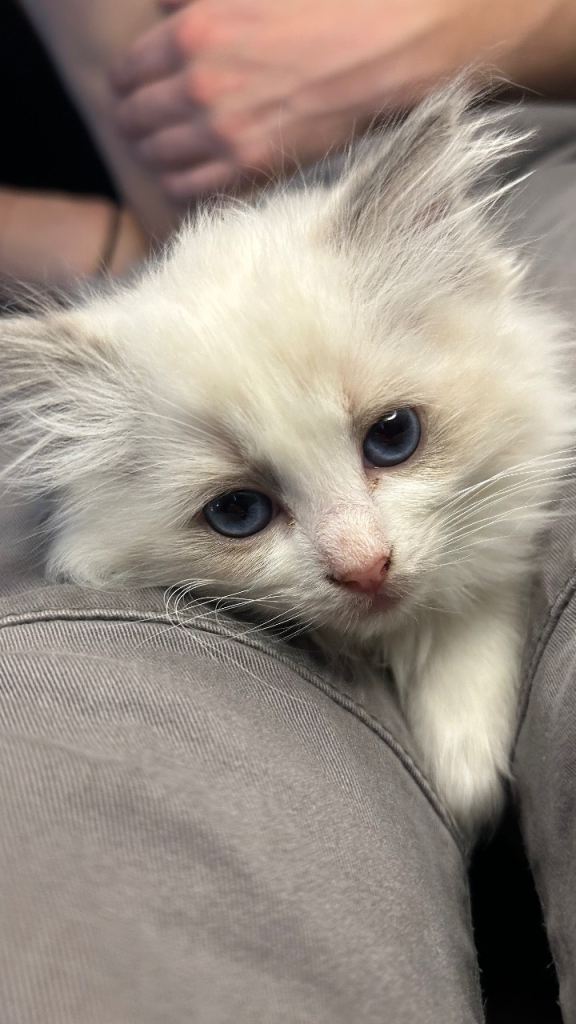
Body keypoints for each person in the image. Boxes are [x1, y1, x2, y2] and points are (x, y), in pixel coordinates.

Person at [1, 2, 576, 1020]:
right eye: (237, 509)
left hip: (516, 146)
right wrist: (88, 236)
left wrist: (457, 35)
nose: (361, 557)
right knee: (64, 738)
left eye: (391, 434)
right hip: (141, 287)